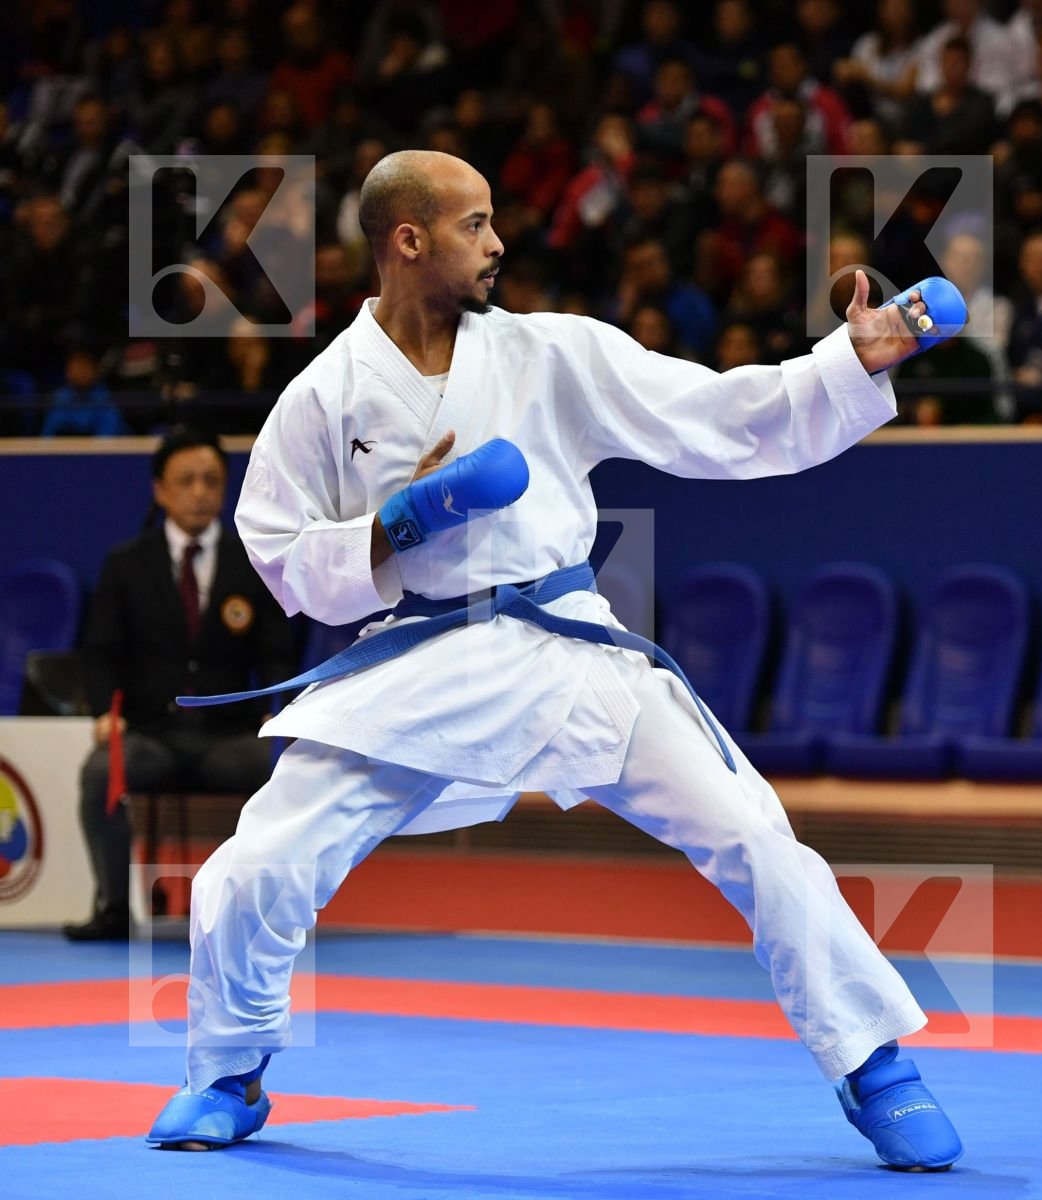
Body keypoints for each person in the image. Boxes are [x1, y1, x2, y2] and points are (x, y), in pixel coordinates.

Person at [144, 150, 968, 1173]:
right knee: (258, 862)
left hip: (562, 643)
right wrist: (398, 524)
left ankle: (875, 1064)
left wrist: (851, 360)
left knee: (754, 834)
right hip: (414, 659)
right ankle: (228, 1071)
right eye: (474, 224)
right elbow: (282, 561)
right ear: (408, 240)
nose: (498, 245)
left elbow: (719, 419)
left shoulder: (551, 353)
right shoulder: (323, 396)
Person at [64, 427, 293, 941]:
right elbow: (99, 652)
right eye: (185, 480)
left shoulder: (252, 563)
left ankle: (267, 914)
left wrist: (277, 707)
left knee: (288, 771)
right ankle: (114, 907)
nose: (198, 492)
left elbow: (277, 651)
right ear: (159, 490)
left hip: (228, 735)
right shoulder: (126, 564)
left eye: (211, 480)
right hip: (150, 733)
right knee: (102, 771)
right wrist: (107, 713)